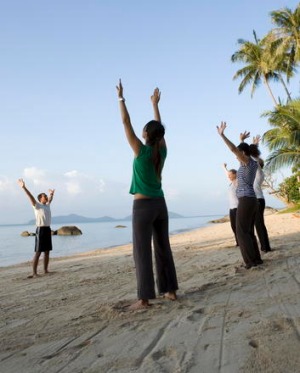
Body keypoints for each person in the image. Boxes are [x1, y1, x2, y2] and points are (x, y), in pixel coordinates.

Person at [116, 79, 178, 310]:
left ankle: (143, 299)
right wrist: (155, 105)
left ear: (145, 134)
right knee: (163, 247)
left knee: (141, 251)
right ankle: (170, 291)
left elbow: (125, 121)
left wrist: (121, 98)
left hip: (142, 207)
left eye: (144, 129)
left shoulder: (140, 150)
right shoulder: (161, 151)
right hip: (160, 205)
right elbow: (159, 128)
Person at [216, 122, 263, 269]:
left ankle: (250, 262)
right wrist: (243, 141)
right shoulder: (251, 163)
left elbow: (234, 149)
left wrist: (222, 135)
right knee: (248, 231)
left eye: (238, 154)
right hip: (251, 200)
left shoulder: (247, 162)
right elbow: (242, 150)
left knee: (241, 232)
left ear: (243, 154)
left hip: (246, 200)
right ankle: (256, 259)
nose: (236, 157)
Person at [18, 178, 55, 278]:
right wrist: (24, 187)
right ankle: (34, 273)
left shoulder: (47, 205)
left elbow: (50, 200)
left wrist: (52, 194)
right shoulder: (36, 205)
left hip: (47, 229)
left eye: (46, 196)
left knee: (47, 252)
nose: (46, 197)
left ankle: (46, 270)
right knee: (38, 252)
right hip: (40, 230)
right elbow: (30, 196)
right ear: (40, 199)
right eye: (45, 196)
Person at [249, 136, 272, 253]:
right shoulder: (259, 171)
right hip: (259, 199)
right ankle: (265, 246)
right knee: (259, 224)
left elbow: (249, 156)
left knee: (259, 224)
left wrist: (245, 142)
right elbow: (252, 155)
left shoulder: (257, 167)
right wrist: (255, 145)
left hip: (257, 199)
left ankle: (265, 247)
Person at [223, 163, 239, 246]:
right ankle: (238, 241)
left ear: (235, 174)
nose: (228, 176)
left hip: (237, 208)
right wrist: (224, 168)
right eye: (228, 175)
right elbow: (227, 174)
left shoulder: (237, 182)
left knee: (238, 226)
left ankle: (240, 241)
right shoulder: (232, 183)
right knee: (233, 226)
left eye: (230, 175)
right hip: (232, 208)